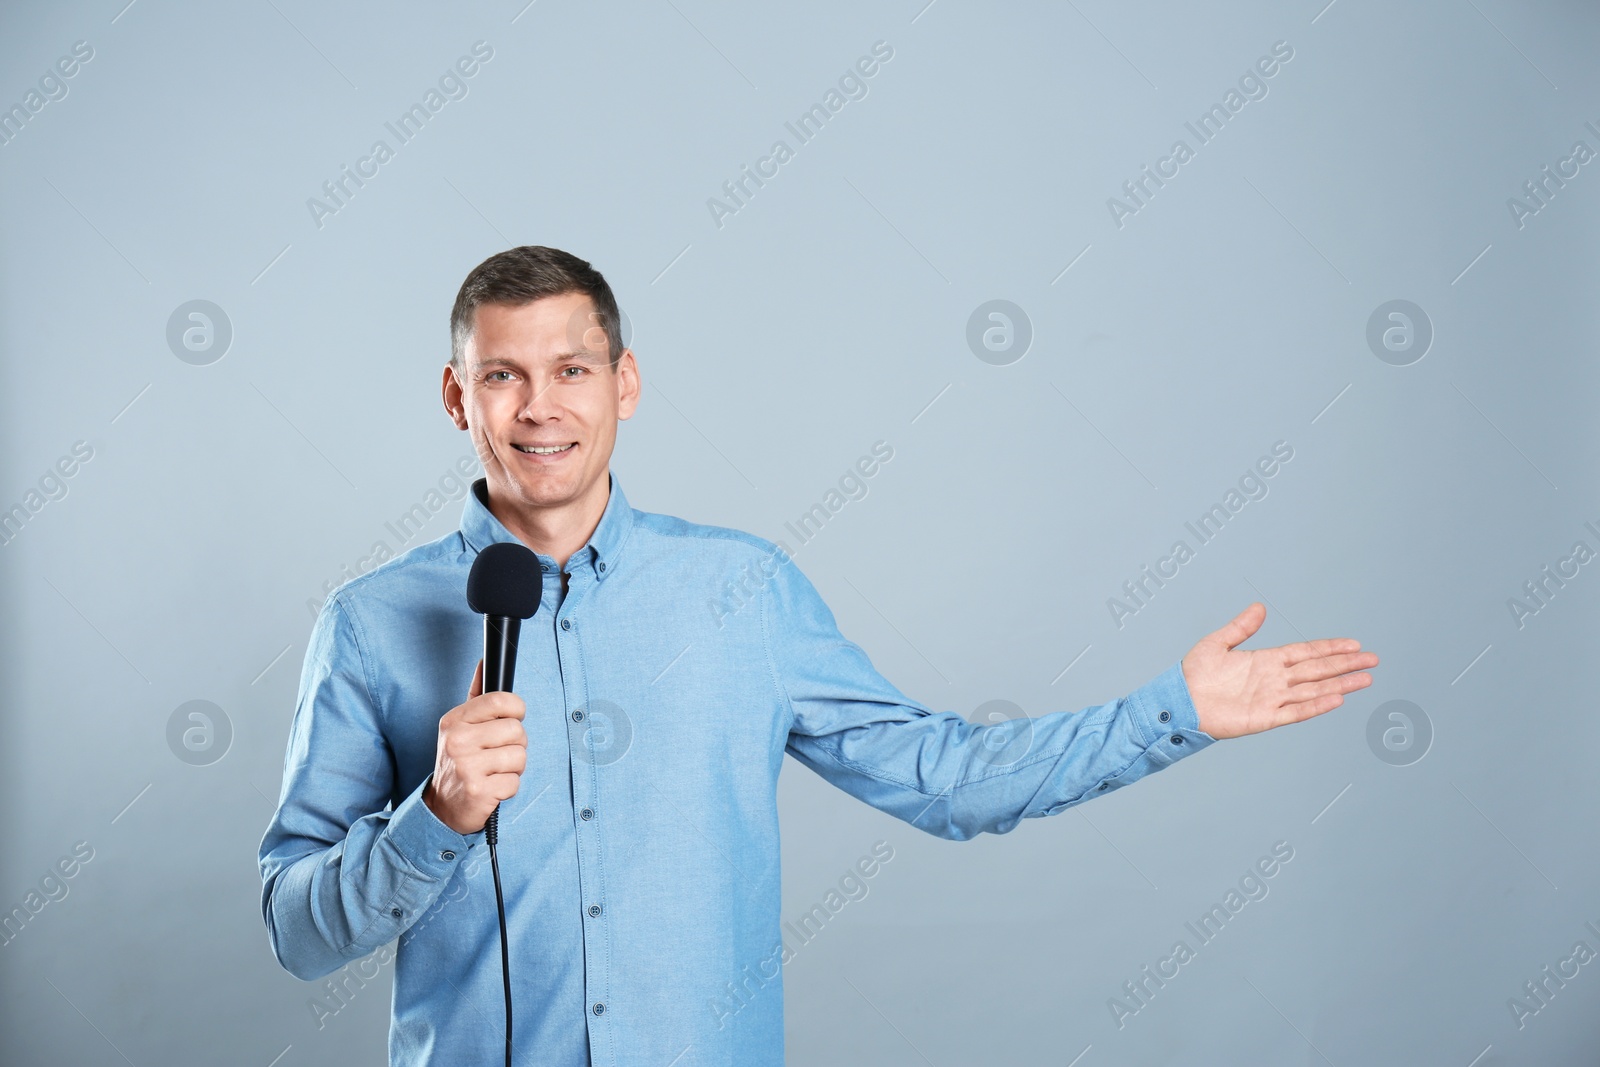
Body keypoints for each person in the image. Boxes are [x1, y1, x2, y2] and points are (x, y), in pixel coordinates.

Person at [257, 245, 1379, 1066]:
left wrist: (1169, 709)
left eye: (572, 369)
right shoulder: (369, 623)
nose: (539, 406)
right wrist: (434, 816)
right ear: (458, 396)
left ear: (626, 383)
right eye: (502, 375)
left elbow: (945, 778)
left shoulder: (743, 592)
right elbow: (299, 931)